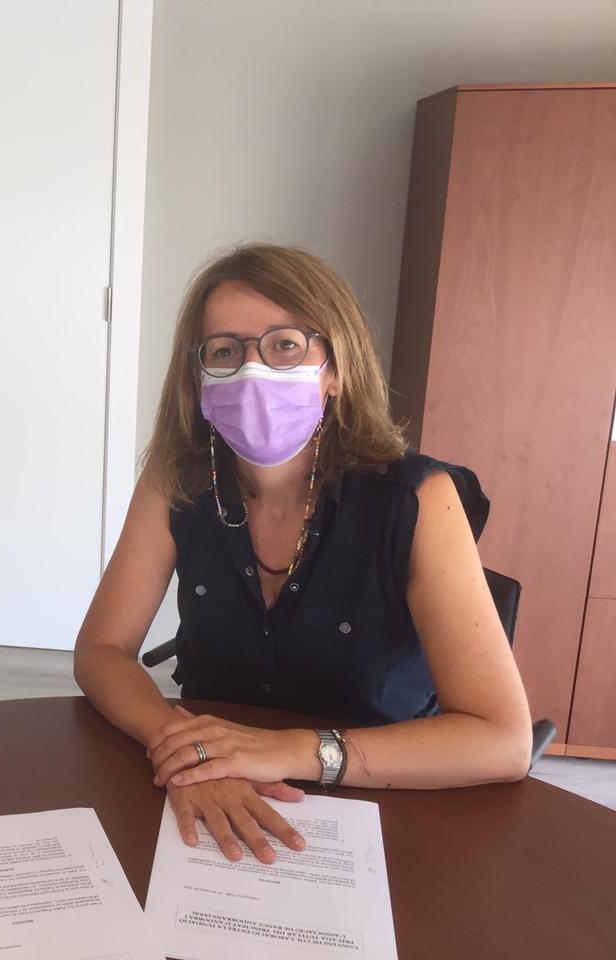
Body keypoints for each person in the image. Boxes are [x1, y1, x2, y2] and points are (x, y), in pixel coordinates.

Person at [74, 243, 532, 864]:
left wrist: (289, 750)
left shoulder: (418, 499)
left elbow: (503, 741)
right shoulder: (177, 481)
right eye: (224, 351)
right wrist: (187, 750)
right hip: (213, 788)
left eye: (285, 345)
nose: (253, 370)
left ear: (335, 370)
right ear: (198, 378)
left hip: (387, 801)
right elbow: (101, 650)